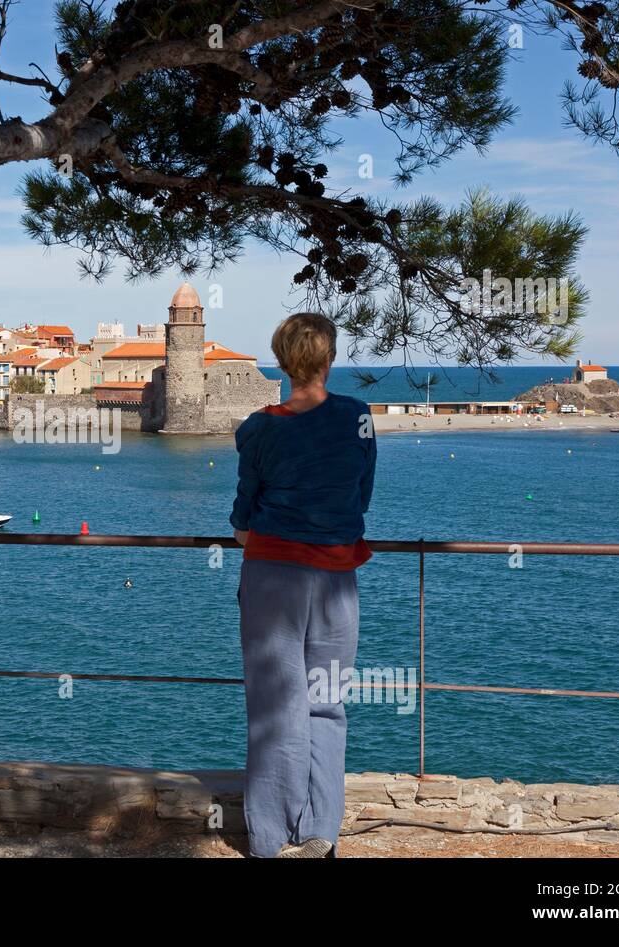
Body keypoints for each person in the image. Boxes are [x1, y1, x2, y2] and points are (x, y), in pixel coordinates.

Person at [231, 312, 377, 858]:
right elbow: (361, 496)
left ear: (281, 361)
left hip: (274, 577)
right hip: (338, 577)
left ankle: (273, 839)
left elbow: (243, 517)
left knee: (276, 705)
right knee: (327, 703)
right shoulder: (358, 417)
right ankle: (321, 833)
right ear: (328, 359)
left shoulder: (258, 427)